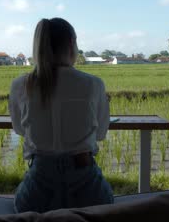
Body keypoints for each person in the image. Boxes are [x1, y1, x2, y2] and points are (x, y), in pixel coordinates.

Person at [8, 18, 113, 213]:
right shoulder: (93, 84)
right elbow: (100, 134)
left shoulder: (20, 85)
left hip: (37, 188)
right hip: (88, 187)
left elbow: (20, 129)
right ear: (72, 43)